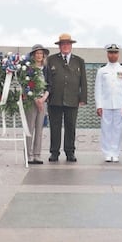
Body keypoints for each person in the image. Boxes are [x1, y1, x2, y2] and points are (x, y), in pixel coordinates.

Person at [44, 33, 86, 162]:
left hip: (72, 99)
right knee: (55, 127)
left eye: (68, 44)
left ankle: (70, 152)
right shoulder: (51, 60)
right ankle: (54, 152)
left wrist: (83, 98)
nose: (66, 46)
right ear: (59, 46)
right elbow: (46, 79)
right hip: (54, 99)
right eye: (63, 44)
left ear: (71, 45)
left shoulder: (79, 61)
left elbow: (83, 81)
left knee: (70, 126)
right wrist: (45, 95)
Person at [95, 43, 122, 162]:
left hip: (119, 104)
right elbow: (98, 89)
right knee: (106, 130)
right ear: (107, 54)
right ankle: (107, 153)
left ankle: (115, 152)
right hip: (105, 104)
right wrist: (99, 106)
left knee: (117, 130)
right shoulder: (102, 70)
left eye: (115, 53)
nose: (113, 55)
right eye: (110, 52)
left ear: (118, 54)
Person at [25, 44, 50, 164]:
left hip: (43, 101)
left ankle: (37, 154)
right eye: (37, 53)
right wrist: (35, 99)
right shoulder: (29, 69)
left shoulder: (46, 69)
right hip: (31, 101)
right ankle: (28, 154)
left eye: (41, 53)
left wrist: (43, 99)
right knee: (30, 128)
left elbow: (49, 85)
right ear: (33, 55)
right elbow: (26, 85)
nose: (39, 55)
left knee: (39, 129)